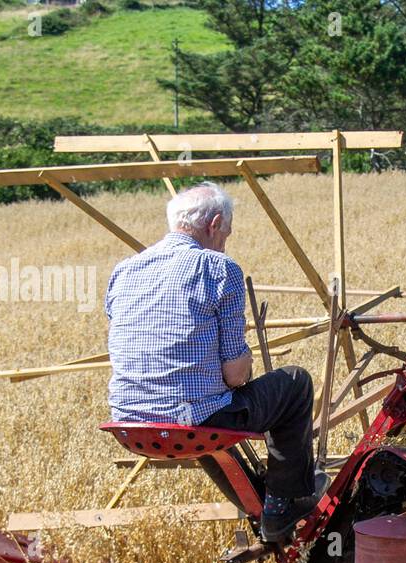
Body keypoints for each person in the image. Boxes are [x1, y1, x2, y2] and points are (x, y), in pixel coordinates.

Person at [105, 182, 319, 542]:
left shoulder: (123, 271)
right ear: (215, 223)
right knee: (294, 383)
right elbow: (235, 376)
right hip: (189, 419)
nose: (225, 241)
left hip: (128, 422)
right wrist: (245, 362)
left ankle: (259, 507)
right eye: (227, 233)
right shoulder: (218, 267)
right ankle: (283, 504)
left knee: (197, 416)